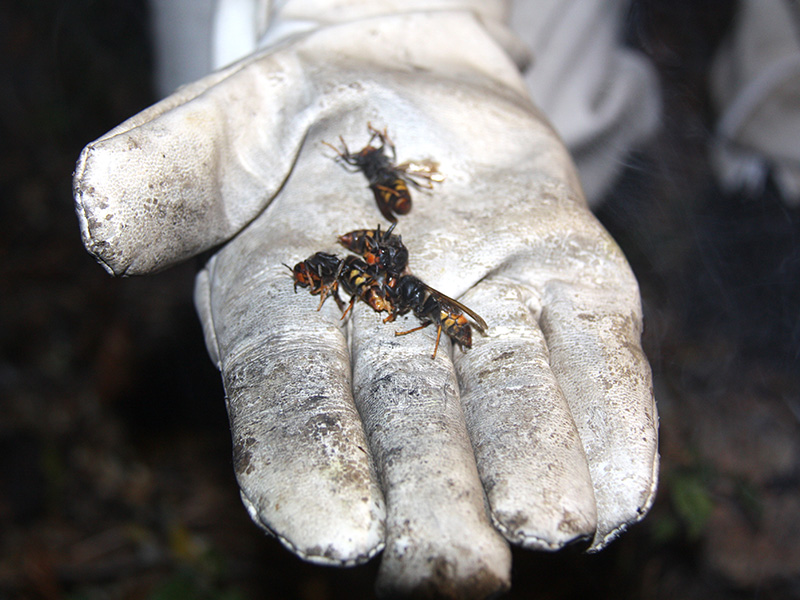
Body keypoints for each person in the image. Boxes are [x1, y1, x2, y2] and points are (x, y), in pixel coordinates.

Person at [73, 1, 661, 597]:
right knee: (217, 132)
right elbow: (388, 274)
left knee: (557, 136)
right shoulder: (376, 255)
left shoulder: (397, 265)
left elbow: (412, 286)